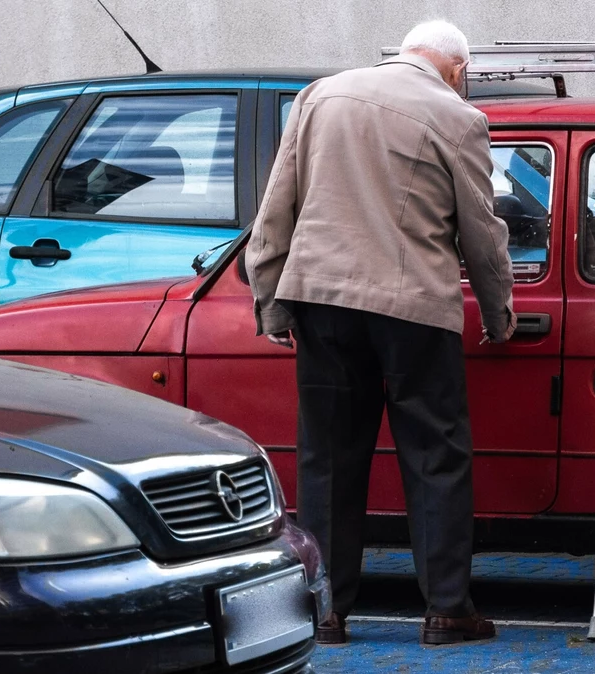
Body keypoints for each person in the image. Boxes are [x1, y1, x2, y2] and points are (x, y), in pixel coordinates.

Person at [245, 20, 515, 646]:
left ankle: (327, 612)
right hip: (413, 308)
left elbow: (276, 207)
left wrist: (272, 306)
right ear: (456, 69)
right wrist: (499, 315)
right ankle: (447, 611)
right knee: (436, 457)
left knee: (329, 460)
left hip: (322, 302)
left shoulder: (321, 96)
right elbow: (482, 231)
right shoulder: (458, 117)